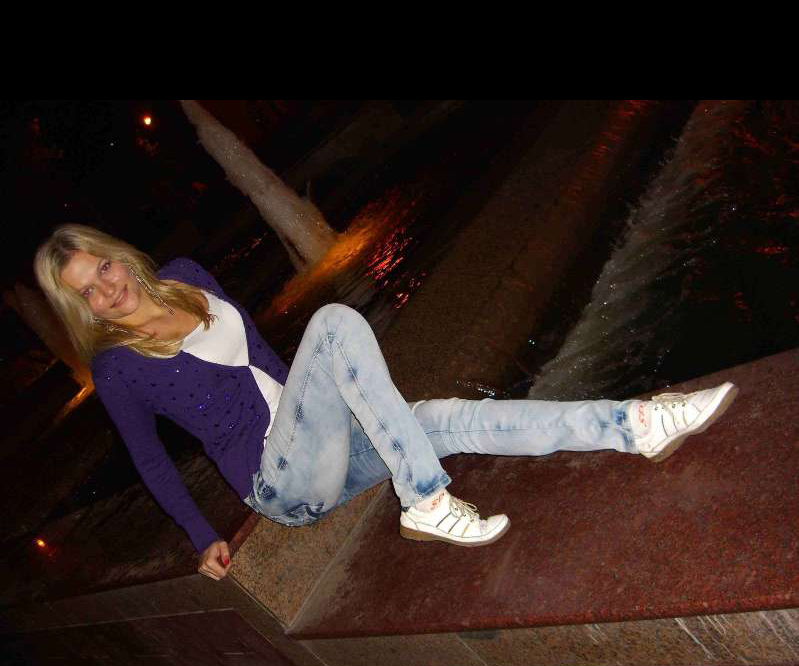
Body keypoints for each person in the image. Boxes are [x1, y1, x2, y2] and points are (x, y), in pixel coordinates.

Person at [34, 224, 739, 582]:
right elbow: (150, 461)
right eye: (87, 291)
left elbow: (269, 363)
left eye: (104, 267)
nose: (107, 289)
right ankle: (426, 499)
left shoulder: (188, 276)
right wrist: (199, 537)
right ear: (80, 309)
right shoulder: (118, 367)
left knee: (446, 417)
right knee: (333, 323)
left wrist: (354, 411)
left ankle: (632, 423)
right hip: (279, 483)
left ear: (118, 255)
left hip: (326, 440)